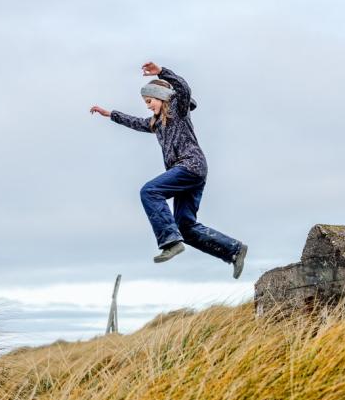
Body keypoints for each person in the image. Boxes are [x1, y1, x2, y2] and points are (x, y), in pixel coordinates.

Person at [90, 61, 248, 278]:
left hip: (190, 166)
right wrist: (110, 114)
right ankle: (234, 250)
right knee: (186, 227)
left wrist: (163, 72)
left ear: (162, 96)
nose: (147, 106)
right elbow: (135, 122)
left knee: (150, 191)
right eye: (145, 102)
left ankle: (170, 242)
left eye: (150, 101)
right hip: (189, 174)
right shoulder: (156, 124)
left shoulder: (178, 109)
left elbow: (183, 88)